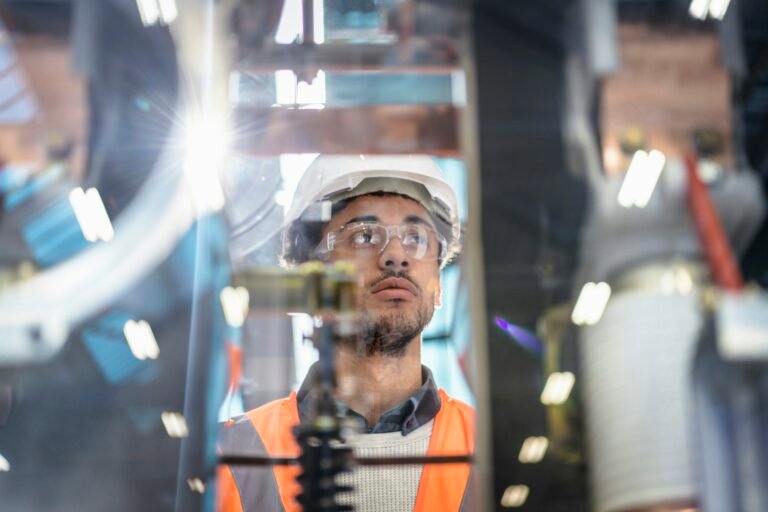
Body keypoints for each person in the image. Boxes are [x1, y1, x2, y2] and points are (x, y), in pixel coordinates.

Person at [217, 155, 475, 512]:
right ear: (313, 281)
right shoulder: (234, 453)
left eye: (416, 238)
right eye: (364, 235)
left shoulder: (488, 447)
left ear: (438, 286)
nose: (396, 255)